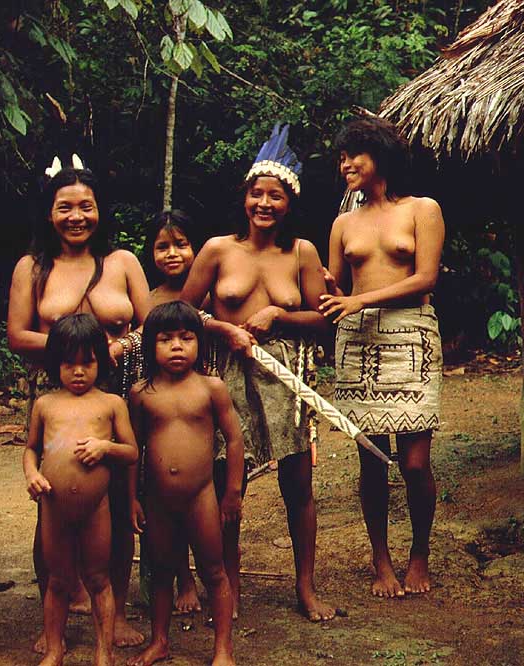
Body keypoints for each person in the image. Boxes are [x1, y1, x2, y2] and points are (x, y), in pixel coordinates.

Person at [182, 124, 337, 622]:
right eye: (256, 194)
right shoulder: (217, 250)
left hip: (287, 376)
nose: (264, 204)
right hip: (226, 373)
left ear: (289, 204)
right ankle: (226, 586)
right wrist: (224, 331)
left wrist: (279, 316)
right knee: (230, 482)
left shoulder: (302, 253)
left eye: (275, 196)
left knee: (298, 483)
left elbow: (322, 316)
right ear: (244, 198)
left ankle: (305, 587)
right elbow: (181, 316)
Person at [8, 155, 150, 650]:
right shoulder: (33, 266)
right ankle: (58, 615)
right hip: (55, 393)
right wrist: (71, 348)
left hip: (118, 390)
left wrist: (116, 348)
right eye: (64, 207)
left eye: (86, 206)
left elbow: (152, 330)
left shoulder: (124, 262)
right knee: (54, 496)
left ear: (99, 210)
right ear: (48, 213)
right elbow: (16, 333)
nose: (76, 217)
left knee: (117, 499)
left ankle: (114, 608)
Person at [320, 116, 444, 598]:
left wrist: (357, 300)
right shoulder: (342, 223)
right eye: (342, 156)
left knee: (414, 463)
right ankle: (381, 561)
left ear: (381, 157)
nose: (346, 163)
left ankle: (420, 554)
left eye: (355, 154)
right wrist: (327, 291)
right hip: (357, 342)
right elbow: (333, 286)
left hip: (411, 334)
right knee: (372, 460)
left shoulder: (421, 209)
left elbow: (425, 278)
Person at [127, 301, 243, 666]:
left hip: (202, 496)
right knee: (162, 570)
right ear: (150, 346)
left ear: (200, 343)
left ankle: (222, 649)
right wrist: (132, 497)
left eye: (186, 338)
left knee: (214, 570)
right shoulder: (141, 392)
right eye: (166, 339)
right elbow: (134, 448)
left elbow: (235, 439)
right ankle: (159, 641)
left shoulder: (212, 388)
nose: (177, 346)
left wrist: (233, 492)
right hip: (158, 499)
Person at [23, 313, 140, 666]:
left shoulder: (111, 404)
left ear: (100, 362)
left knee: (98, 579)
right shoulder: (45, 404)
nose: (78, 372)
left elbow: (132, 451)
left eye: (87, 363)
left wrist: (106, 448)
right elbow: (30, 449)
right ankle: (55, 648)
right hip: (53, 507)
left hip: (96, 509)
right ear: (54, 363)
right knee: (57, 580)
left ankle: (104, 651)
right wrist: (31, 474)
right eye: (69, 364)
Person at [142, 209, 206, 614]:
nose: (172, 254)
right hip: (163, 405)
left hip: (204, 401)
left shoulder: (210, 289)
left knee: (207, 491)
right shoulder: (147, 300)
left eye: (181, 244)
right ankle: (183, 578)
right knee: (167, 495)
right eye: (162, 246)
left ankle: (218, 575)